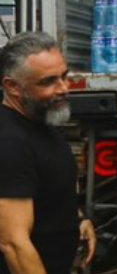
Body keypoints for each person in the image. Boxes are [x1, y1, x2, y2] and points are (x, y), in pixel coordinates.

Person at [0, 32, 96, 274]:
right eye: (48, 82)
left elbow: (46, 186)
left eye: (64, 76)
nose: (64, 88)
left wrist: (79, 219)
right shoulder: (9, 141)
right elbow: (13, 243)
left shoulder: (41, 121)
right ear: (12, 87)